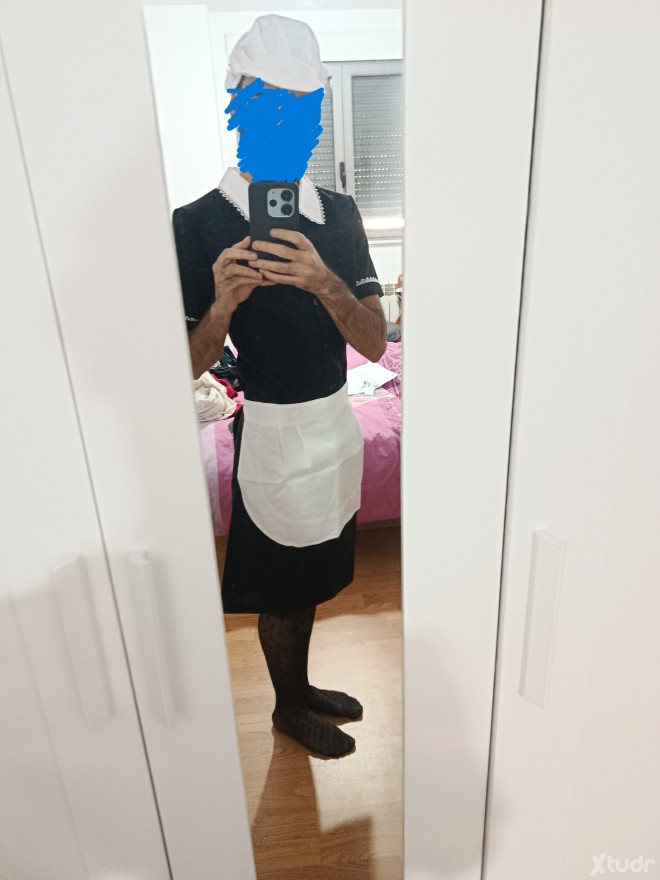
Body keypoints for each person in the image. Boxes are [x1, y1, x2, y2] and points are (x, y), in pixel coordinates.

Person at [173, 14, 387, 758]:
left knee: (317, 573)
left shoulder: (342, 215)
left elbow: (374, 340)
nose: (287, 122)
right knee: (282, 585)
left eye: (302, 107)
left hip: (334, 427)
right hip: (268, 432)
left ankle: (301, 688)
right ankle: (288, 708)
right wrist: (222, 304)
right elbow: (186, 364)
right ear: (237, 104)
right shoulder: (197, 225)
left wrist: (326, 283)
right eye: (269, 103)